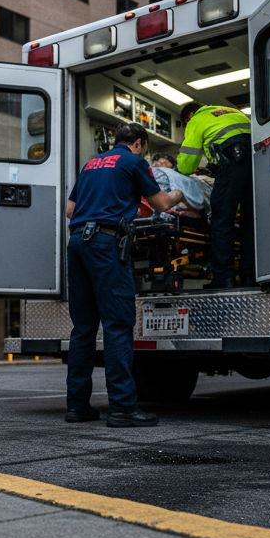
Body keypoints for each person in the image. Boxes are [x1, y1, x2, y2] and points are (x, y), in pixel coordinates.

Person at [66, 123, 183, 427]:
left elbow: (70, 209)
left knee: (83, 328)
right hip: (105, 244)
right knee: (118, 325)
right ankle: (122, 408)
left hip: (77, 242)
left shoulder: (91, 164)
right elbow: (159, 203)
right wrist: (177, 194)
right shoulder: (134, 162)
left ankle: (77, 407)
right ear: (139, 143)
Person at [176, 102, 254, 288]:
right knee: (249, 223)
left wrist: (178, 171)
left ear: (189, 116)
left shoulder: (197, 119)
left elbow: (187, 163)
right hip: (255, 164)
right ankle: (249, 277)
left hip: (231, 162)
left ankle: (224, 278)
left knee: (221, 221)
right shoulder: (234, 112)